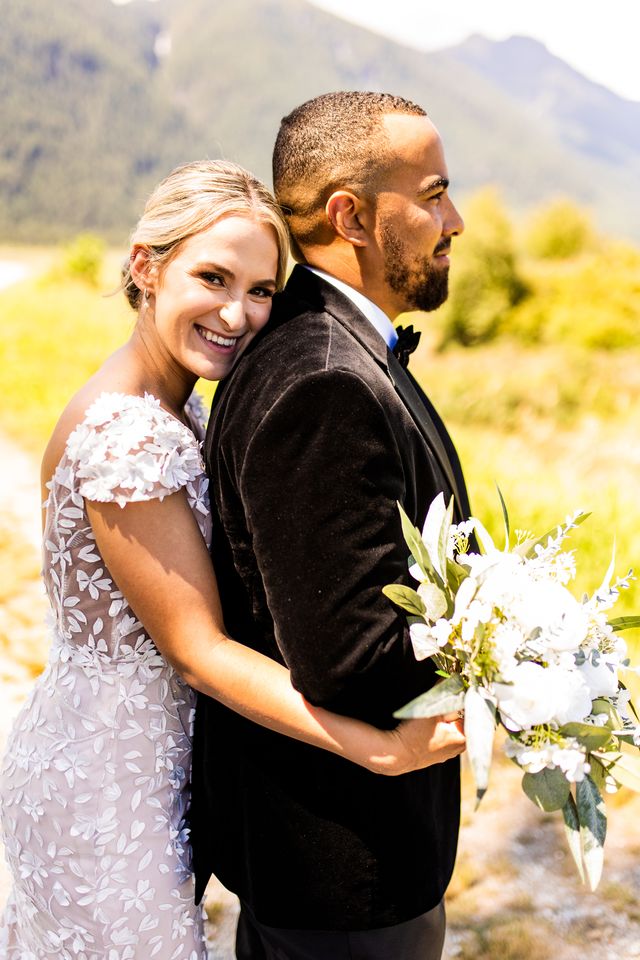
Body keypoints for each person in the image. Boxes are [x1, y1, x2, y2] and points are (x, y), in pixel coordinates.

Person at [0, 158, 465, 960]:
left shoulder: (176, 403)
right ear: (146, 266)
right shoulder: (126, 434)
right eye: (213, 277)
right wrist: (378, 747)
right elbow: (200, 652)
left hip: (152, 775)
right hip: (108, 792)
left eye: (260, 291)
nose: (238, 313)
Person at [192, 93, 472, 960]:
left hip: (341, 867)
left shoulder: (337, 351)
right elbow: (348, 655)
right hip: (344, 872)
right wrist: (507, 650)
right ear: (350, 215)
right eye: (432, 194)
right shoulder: (324, 380)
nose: (453, 220)